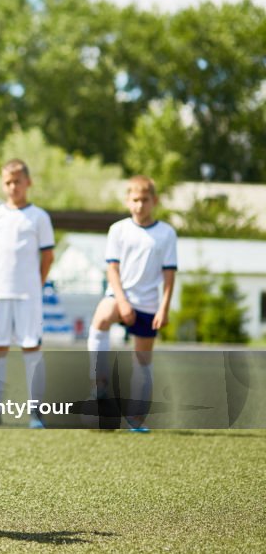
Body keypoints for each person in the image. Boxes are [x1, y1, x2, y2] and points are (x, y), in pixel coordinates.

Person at [87, 175, 177, 432]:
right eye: (135, 200)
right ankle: (99, 383)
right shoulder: (118, 229)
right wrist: (123, 302)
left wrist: (164, 307)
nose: (139, 205)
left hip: (148, 304)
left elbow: (169, 274)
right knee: (101, 318)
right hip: (120, 296)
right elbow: (112, 270)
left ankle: (136, 418)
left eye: (145, 200)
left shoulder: (166, 233)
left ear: (154, 201)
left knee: (143, 360)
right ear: (128, 201)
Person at [0, 159, 54, 428]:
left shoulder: (39, 217)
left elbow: (48, 256)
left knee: (31, 348)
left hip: (29, 296)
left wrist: (35, 284)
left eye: (17, 181)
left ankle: (35, 413)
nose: (13, 186)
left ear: (28, 182)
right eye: (8, 182)